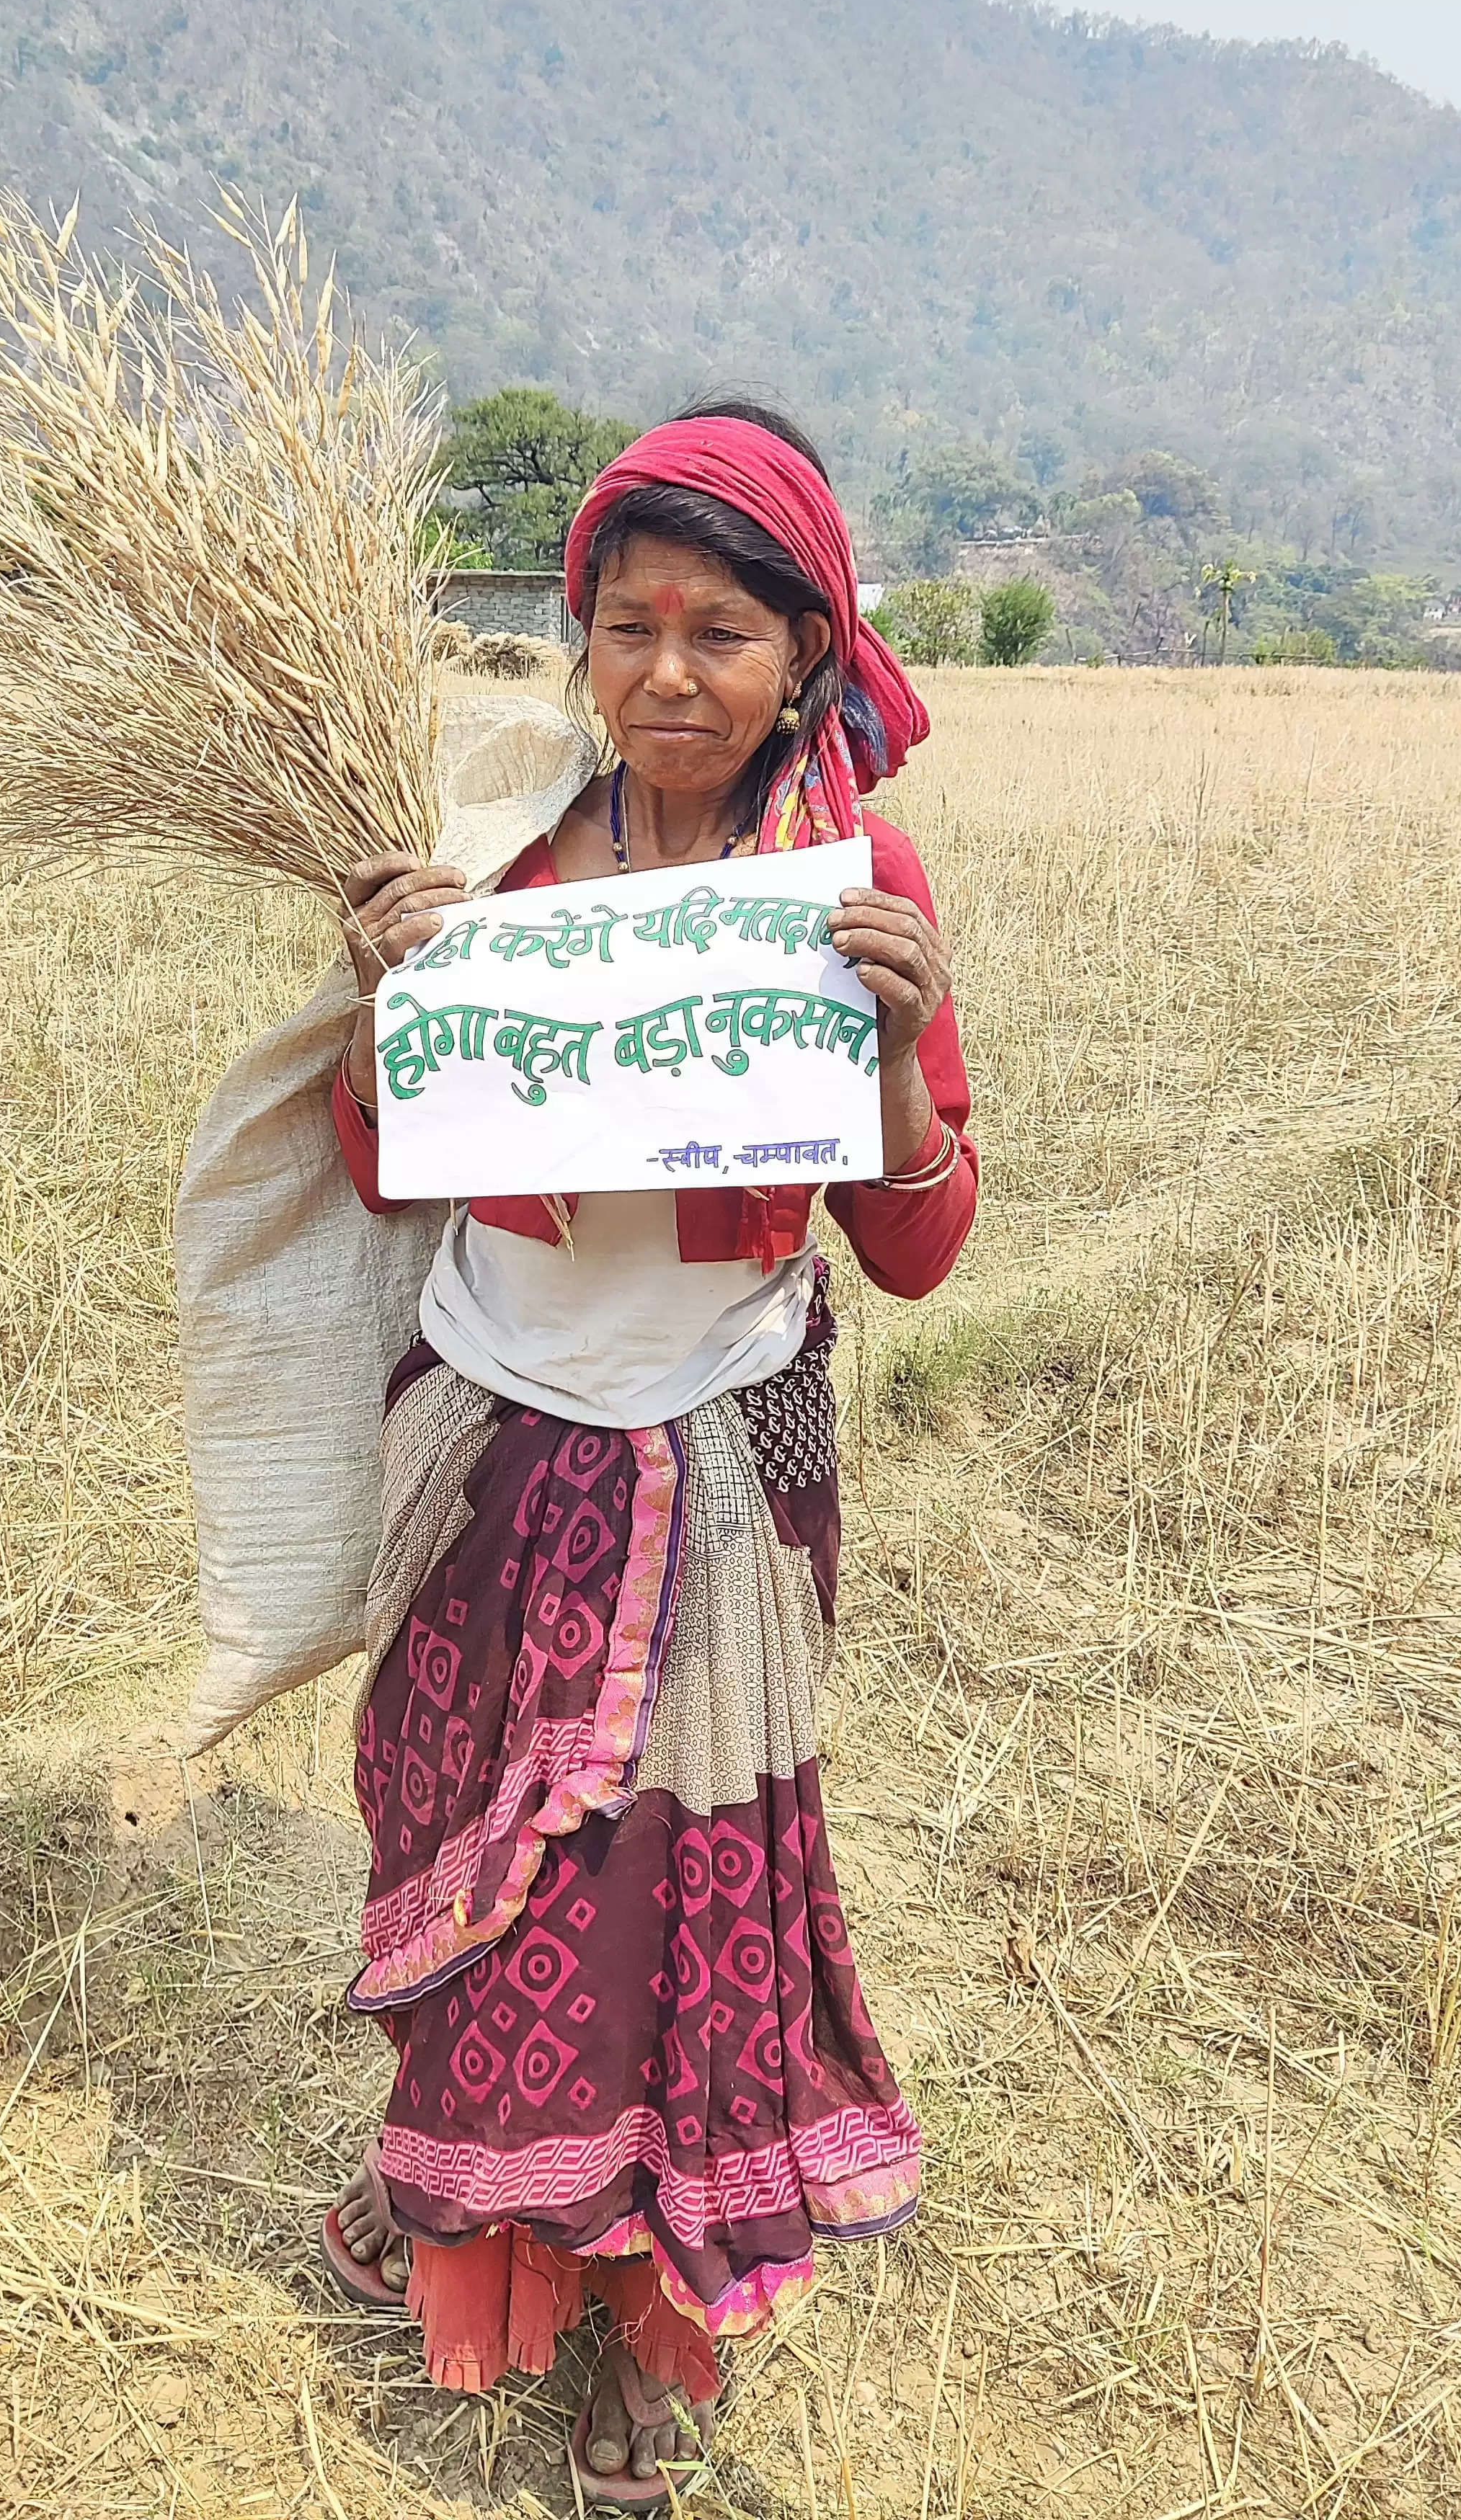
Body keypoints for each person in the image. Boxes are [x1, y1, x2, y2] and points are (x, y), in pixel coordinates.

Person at [320, 401, 976, 2505]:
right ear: (578, 647)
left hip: (715, 1459)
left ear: (810, 651)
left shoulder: (847, 890)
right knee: (479, 1871)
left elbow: (923, 1244)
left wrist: (889, 1050)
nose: (669, 675)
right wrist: (384, 1009)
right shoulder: (499, 860)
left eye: (722, 632)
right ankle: (449, 2201)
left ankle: (624, 2323)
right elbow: (377, 1171)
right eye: (626, 628)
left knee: (665, 1904)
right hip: (495, 1442)